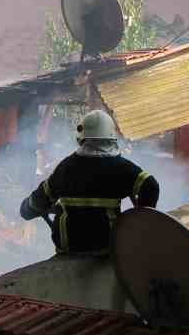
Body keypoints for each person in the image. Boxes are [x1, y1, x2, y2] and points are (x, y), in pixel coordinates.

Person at [19, 109, 159, 255]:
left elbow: (39, 201)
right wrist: (141, 222)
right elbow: (151, 186)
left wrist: (26, 209)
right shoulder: (122, 168)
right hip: (107, 248)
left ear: (81, 138)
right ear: (112, 138)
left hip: (69, 250)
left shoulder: (66, 167)